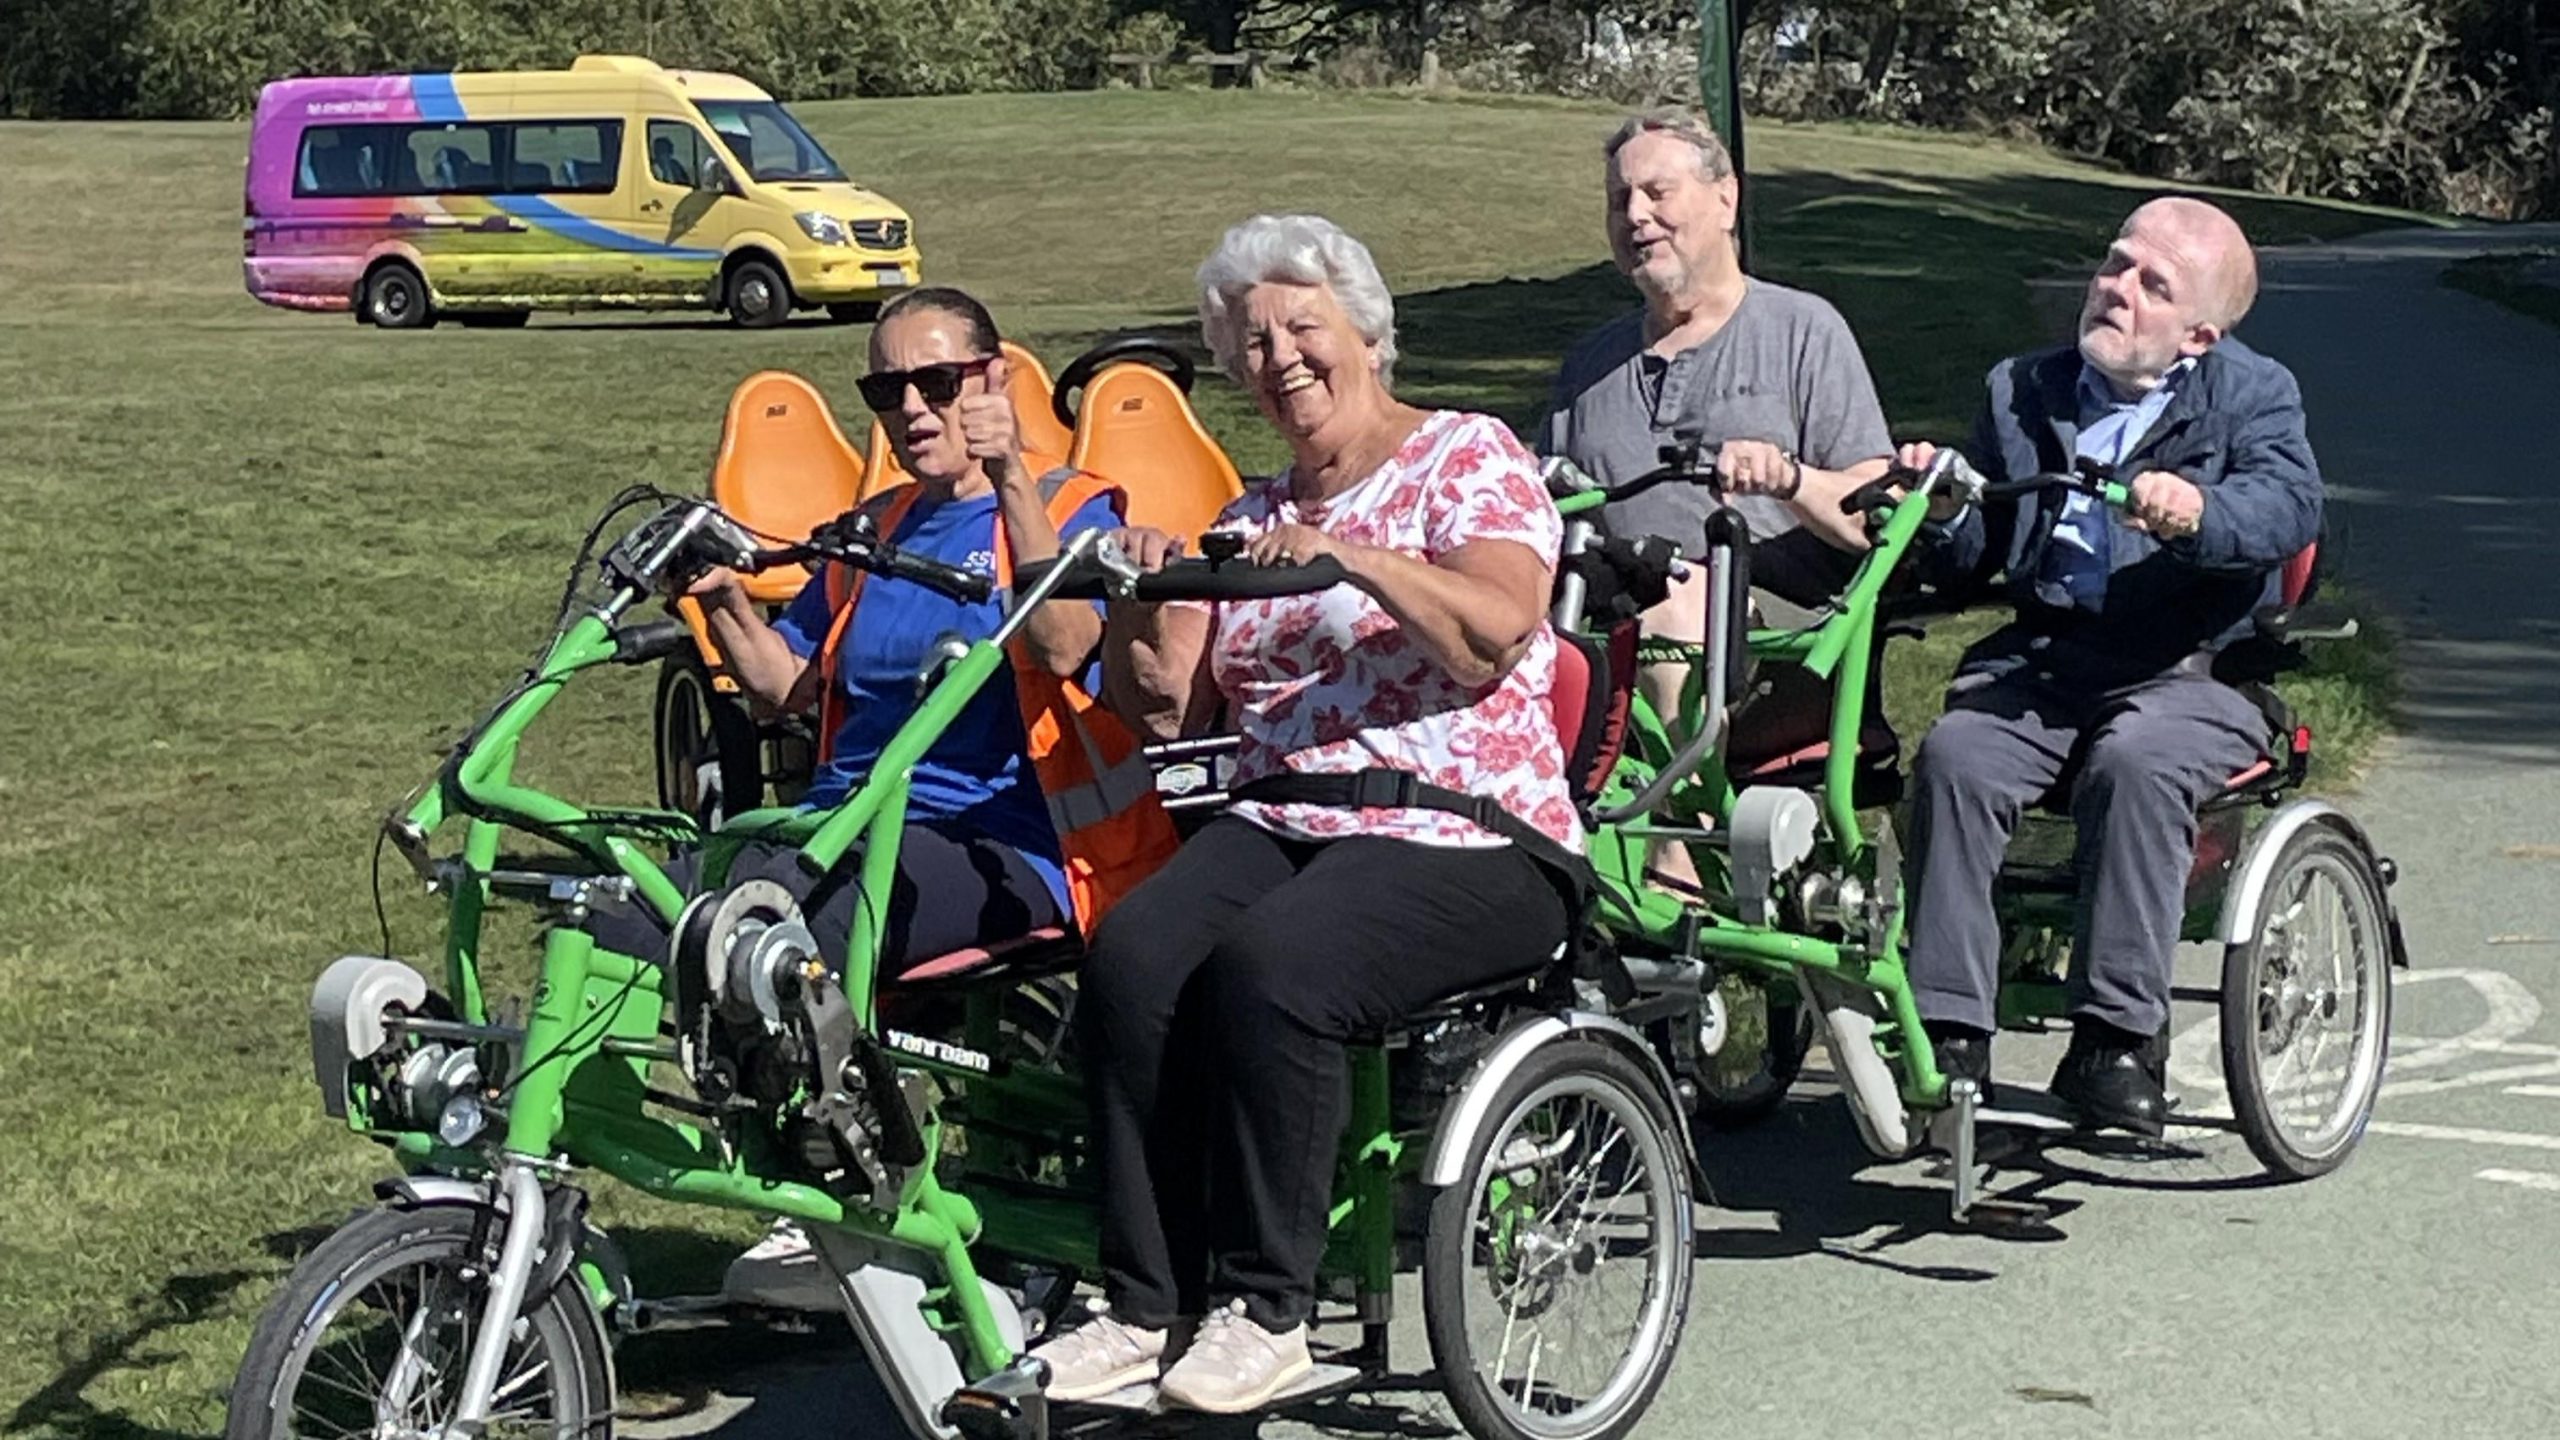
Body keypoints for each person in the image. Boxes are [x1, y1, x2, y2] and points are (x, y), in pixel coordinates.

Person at [1027, 214, 1580, 1413]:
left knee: (1274, 966)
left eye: (1300, 328)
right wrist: (1140, 591)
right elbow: (1168, 708)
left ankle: (1265, 1310)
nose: (1277, 358)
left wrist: (1352, 556)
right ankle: (1143, 1305)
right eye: (1251, 342)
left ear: (1365, 334)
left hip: (1464, 825)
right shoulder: (1252, 511)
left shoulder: (1465, 455)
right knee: (1133, 955)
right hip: (1283, 816)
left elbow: (1493, 633)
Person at [582, 286, 1171, 1304]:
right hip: (837, 828)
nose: (911, 408)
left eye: (936, 382)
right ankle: (572, 1171)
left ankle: (835, 1191)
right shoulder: (871, 528)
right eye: (886, 389)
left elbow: (1062, 644)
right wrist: (723, 602)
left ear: (993, 378)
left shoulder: (1075, 507)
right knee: (619, 910)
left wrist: (1012, 474)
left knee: (779, 941)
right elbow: (784, 689)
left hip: (999, 842)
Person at [1895, 197, 2323, 1135]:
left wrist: (2200, 511)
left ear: (2200, 335)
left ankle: (2116, 1043)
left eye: (2152, 284)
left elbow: (2289, 508)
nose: (2117, 289)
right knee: (1956, 758)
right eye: (2116, 264)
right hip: (2048, 664)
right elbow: (1979, 550)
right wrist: (1943, 511)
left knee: (2137, 763)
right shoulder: (2021, 387)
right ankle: (1948, 1034)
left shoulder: (2253, 394)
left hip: (2190, 669)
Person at [1542, 109, 1895, 706]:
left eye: (1657, 192)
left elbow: (1873, 518)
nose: (1635, 215)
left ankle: (1673, 772)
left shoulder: (1802, 330)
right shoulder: (1588, 365)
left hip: (1784, 643)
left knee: (1676, 612)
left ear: (1726, 200)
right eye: (1619, 200)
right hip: (1610, 619)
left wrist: (1789, 479)